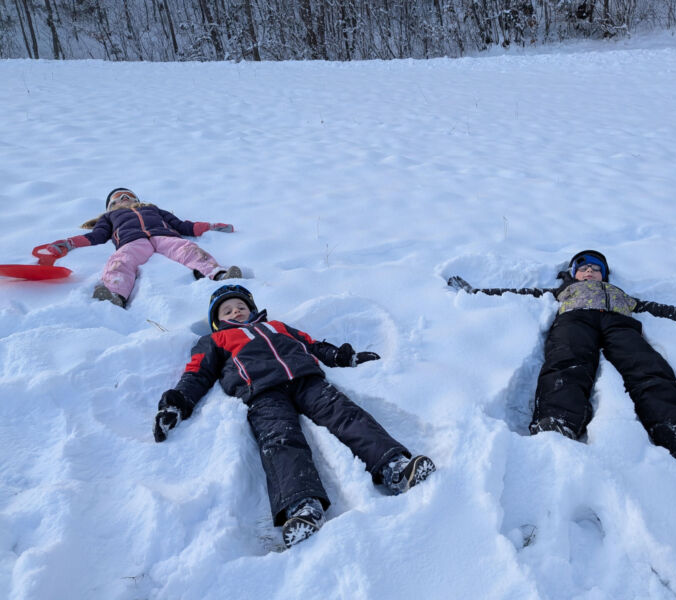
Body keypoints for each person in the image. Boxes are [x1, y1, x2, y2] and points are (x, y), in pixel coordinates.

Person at [153, 284, 435, 548]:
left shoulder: (276, 326)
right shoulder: (215, 340)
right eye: (227, 311)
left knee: (346, 415)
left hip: (306, 380)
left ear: (252, 309)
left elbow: (311, 344)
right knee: (280, 439)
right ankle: (301, 505)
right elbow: (197, 373)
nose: (235, 312)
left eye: (240, 306)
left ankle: (394, 466)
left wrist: (343, 357)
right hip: (262, 392)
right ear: (217, 321)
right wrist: (177, 403)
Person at [448, 250, 676, 475]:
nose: (590, 272)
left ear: (604, 275)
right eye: (583, 268)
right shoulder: (563, 291)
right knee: (567, 363)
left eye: (596, 269)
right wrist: (474, 291)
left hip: (619, 325)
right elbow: (516, 292)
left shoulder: (621, 295)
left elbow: (671, 310)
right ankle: (555, 427)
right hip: (575, 321)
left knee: (649, 371)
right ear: (574, 274)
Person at [40, 188, 241, 307]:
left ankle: (218, 274)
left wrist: (211, 226)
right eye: (119, 198)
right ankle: (114, 294)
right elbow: (97, 236)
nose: (124, 199)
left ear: (137, 200)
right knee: (121, 261)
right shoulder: (110, 217)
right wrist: (69, 243)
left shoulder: (152, 209)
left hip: (164, 236)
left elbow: (182, 225)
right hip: (132, 241)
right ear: (111, 206)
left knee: (187, 249)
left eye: (128, 195)